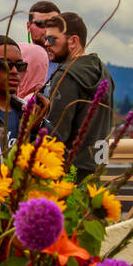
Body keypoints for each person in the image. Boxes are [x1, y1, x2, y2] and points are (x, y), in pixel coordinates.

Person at [41, 13, 114, 179]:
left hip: (69, 174)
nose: (46, 44)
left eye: (52, 39)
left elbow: (57, 133)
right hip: (98, 167)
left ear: (73, 41)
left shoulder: (66, 75)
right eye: (46, 39)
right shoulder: (103, 72)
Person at [25, 0, 62, 82]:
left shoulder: (69, 63)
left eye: (53, 24)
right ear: (28, 27)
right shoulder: (17, 62)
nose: (47, 29)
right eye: (40, 24)